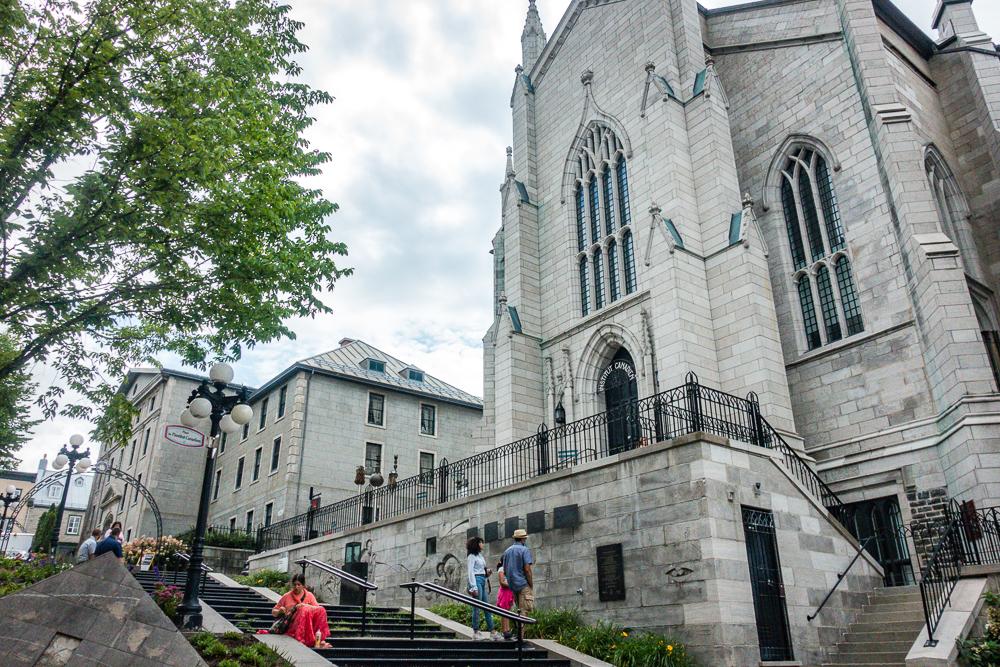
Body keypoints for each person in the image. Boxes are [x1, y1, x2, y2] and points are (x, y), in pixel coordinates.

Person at [272, 574, 331, 648]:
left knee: (321, 609)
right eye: (295, 585)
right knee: (305, 610)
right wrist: (279, 611)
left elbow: (317, 609)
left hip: (309, 624)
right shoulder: (286, 596)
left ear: (303, 585)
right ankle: (302, 638)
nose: (296, 587)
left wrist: (305, 605)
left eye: (299, 584)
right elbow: (273, 612)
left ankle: (318, 639)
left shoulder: (309, 595)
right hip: (292, 625)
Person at [466, 537, 500, 641]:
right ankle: (476, 631)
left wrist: (487, 573)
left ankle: (492, 631)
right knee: (477, 607)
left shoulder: (480, 556)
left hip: (482, 579)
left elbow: (480, 570)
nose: (482, 544)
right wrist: (473, 587)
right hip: (476, 580)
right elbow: (471, 572)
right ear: (476, 544)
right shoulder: (471, 556)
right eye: (481, 542)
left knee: (486, 606)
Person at [502, 529, 533, 614]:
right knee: (524, 610)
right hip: (523, 583)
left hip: (513, 585)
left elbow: (505, 570)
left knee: (519, 609)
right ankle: (521, 628)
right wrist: (530, 585)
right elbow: (527, 570)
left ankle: (519, 627)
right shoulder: (524, 550)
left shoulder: (507, 551)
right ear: (523, 539)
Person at [496, 558, 514, 639]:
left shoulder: (509, 569)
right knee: (504, 612)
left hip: (510, 592)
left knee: (508, 611)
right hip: (504, 592)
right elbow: (502, 582)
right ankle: (504, 631)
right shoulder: (501, 569)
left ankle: (508, 630)